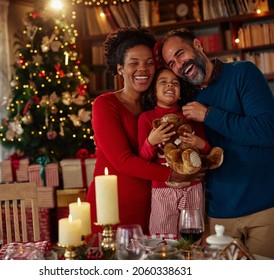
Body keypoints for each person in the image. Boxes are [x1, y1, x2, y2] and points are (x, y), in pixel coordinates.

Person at [158, 27, 274, 259]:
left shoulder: (243, 73)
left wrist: (209, 115)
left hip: (265, 205)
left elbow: (264, 132)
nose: (179, 66)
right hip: (220, 212)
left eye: (180, 54)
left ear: (198, 45)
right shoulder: (187, 99)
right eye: (172, 63)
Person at [86, 26, 203, 236]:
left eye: (149, 63)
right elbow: (122, 160)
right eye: (134, 63)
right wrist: (174, 174)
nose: (143, 69)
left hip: (155, 205)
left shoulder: (156, 108)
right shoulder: (105, 104)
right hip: (112, 207)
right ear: (120, 68)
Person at [138, 66, 211, 235]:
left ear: (180, 91)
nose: (170, 86)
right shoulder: (146, 118)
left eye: (175, 83)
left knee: (193, 236)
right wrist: (151, 141)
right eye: (163, 82)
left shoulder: (190, 114)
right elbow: (143, 157)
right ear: (154, 91)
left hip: (193, 186)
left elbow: (207, 150)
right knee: (162, 237)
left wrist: (200, 143)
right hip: (162, 189)